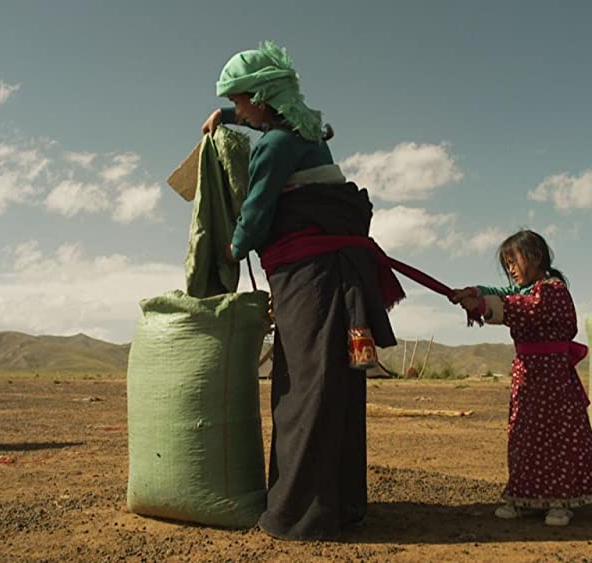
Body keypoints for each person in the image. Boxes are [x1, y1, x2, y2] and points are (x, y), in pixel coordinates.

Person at [202, 41, 398, 540]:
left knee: (306, 391)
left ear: (264, 98)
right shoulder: (307, 130)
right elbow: (266, 125)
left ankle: (303, 513)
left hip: (313, 281)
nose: (241, 108)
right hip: (332, 274)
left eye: (243, 99)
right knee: (332, 387)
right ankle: (340, 505)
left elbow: (258, 208)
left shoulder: (274, 147)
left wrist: (233, 247)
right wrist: (224, 116)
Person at [451, 230, 592, 527]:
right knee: (523, 435)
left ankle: (560, 502)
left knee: (554, 438)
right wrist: (473, 292)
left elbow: (525, 309)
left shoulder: (552, 290)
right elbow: (502, 293)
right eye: (506, 263)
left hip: (553, 378)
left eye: (513, 260)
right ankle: (525, 498)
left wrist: (483, 306)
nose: (510, 268)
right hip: (528, 376)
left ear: (534, 257)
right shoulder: (527, 289)